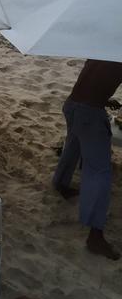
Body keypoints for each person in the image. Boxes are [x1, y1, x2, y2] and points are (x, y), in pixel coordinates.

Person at [52, 59, 122, 260]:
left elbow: (92, 80)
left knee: (73, 145)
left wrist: (103, 99)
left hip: (72, 104)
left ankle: (61, 183)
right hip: (89, 113)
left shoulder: (102, 45)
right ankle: (95, 236)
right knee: (99, 171)